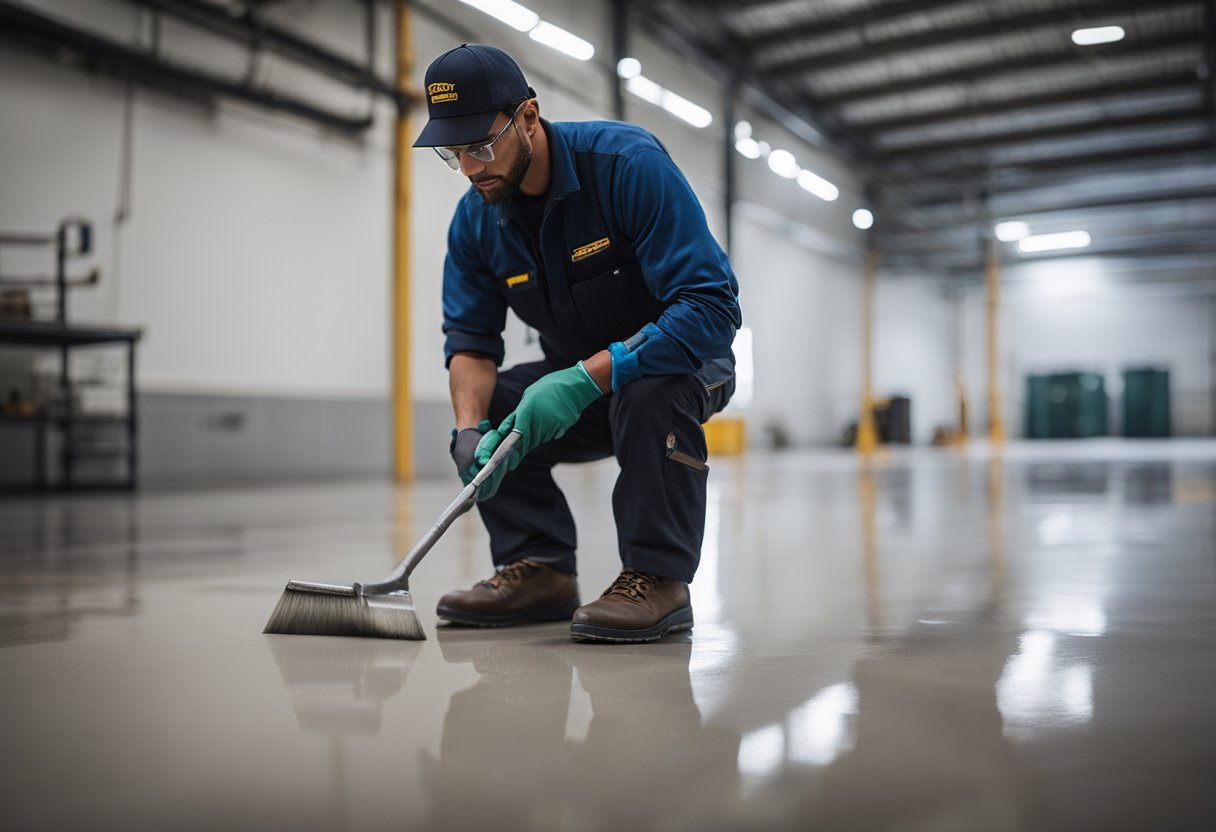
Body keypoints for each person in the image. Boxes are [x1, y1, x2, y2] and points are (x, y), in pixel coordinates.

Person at [413, 43, 741, 643]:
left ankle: (657, 577)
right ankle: (539, 569)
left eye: (481, 146)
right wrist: (468, 431)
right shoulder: (475, 221)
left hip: (687, 362)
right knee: (491, 408)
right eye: (453, 153)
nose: (470, 167)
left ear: (530, 117)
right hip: (580, 376)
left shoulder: (625, 166)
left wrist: (586, 377)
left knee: (648, 394)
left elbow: (712, 307)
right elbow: (470, 343)